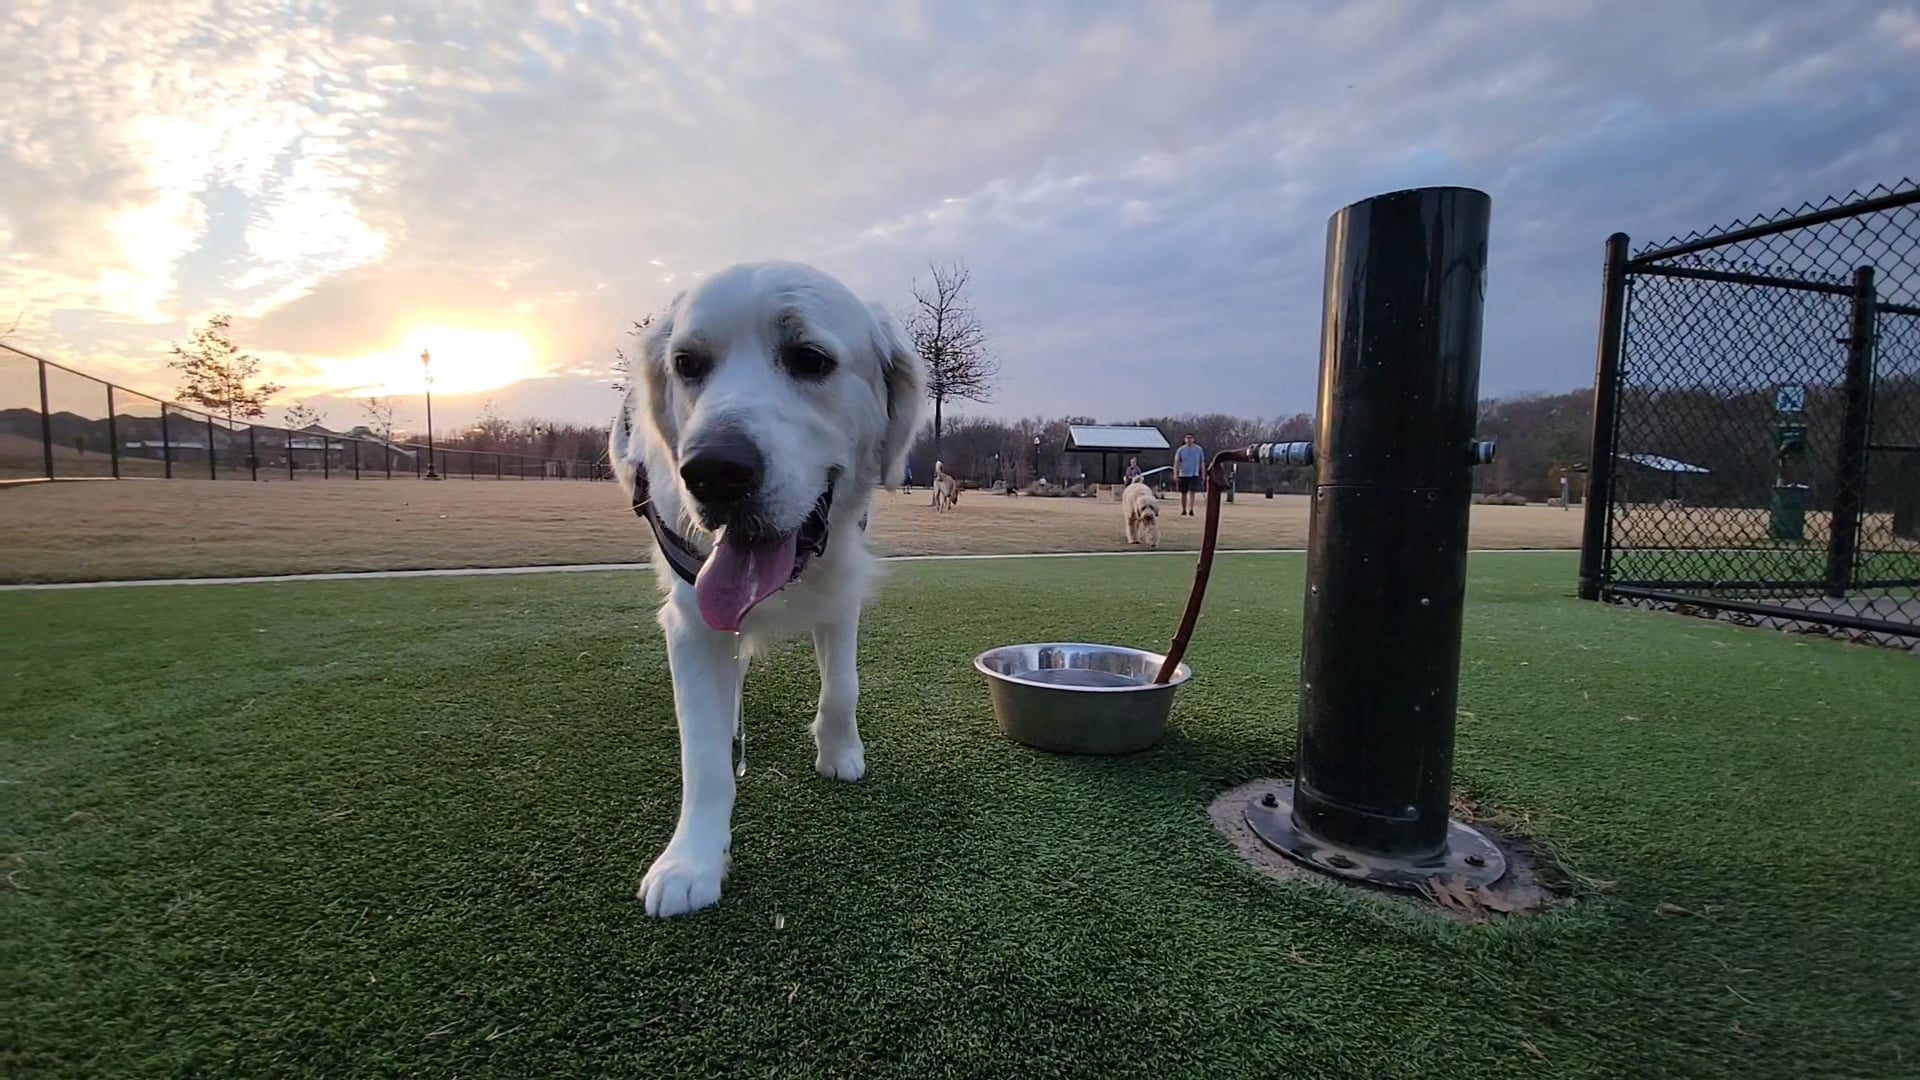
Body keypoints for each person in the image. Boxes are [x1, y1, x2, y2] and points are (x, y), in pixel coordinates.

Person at [1173, 433, 1205, 516]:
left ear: (1194, 439)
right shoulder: (1181, 450)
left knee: (1192, 492)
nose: (1189, 440)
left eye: (1191, 438)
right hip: (1183, 474)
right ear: (1185, 440)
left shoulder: (1199, 449)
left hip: (1194, 474)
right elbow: (1176, 462)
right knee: (1183, 493)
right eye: (1187, 438)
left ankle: (1191, 509)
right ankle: (1184, 510)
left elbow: (1202, 462)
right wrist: (1175, 473)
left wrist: (1203, 474)